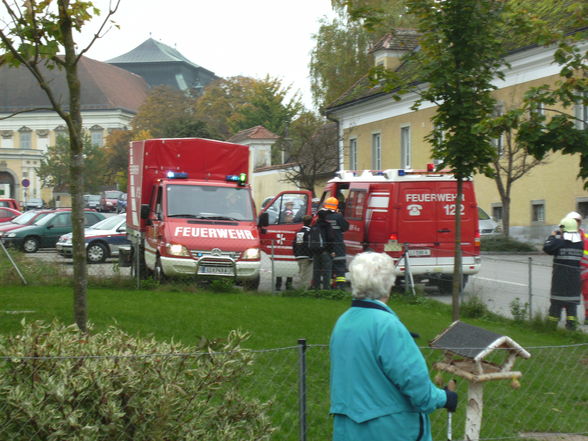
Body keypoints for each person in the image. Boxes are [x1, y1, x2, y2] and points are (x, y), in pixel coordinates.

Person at [329, 252, 457, 441]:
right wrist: (445, 398)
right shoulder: (387, 326)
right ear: (388, 284)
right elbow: (416, 386)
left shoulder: (344, 322)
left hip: (348, 427)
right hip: (388, 430)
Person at [543, 217, 584, 330]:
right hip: (574, 280)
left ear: (563, 229)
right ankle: (571, 329)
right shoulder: (580, 244)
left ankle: (551, 329)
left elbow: (547, 248)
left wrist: (552, 236)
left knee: (556, 304)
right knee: (572, 305)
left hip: (560, 279)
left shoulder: (558, 242)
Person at [565, 211, 588, 323]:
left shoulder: (586, 237)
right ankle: (571, 319)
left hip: (585, 272)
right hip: (570, 272)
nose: (576, 223)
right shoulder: (565, 236)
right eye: (574, 221)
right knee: (569, 297)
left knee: (587, 295)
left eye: (578, 221)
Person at [323, 196, 349, 289]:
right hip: (338, 244)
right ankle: (340, 286)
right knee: (340, 266)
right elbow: (345, 227)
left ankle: (328, 286)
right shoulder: (338, 216)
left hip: (326, 245)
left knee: (328, 266)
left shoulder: (323, 216)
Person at [310, 209, 335, 290]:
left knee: (316, 271)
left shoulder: (314, 225)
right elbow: (330, 238)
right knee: (327, 271)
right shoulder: (327, 225)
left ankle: (316, 288)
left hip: (316, 251)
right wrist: (331, 251)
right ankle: (326, 289)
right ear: (325, 216)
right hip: (325, 251)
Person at [292, 214, 313, 290]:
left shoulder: (299, 232)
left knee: (301, 272)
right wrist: (311, 256)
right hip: (307, 256)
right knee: (306, 275)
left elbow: (294, 244)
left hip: (299, 255)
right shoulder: (310, 231)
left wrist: (296, 254)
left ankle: (297, 287)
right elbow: (310, 244)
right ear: (311, 222)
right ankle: (303, 289)